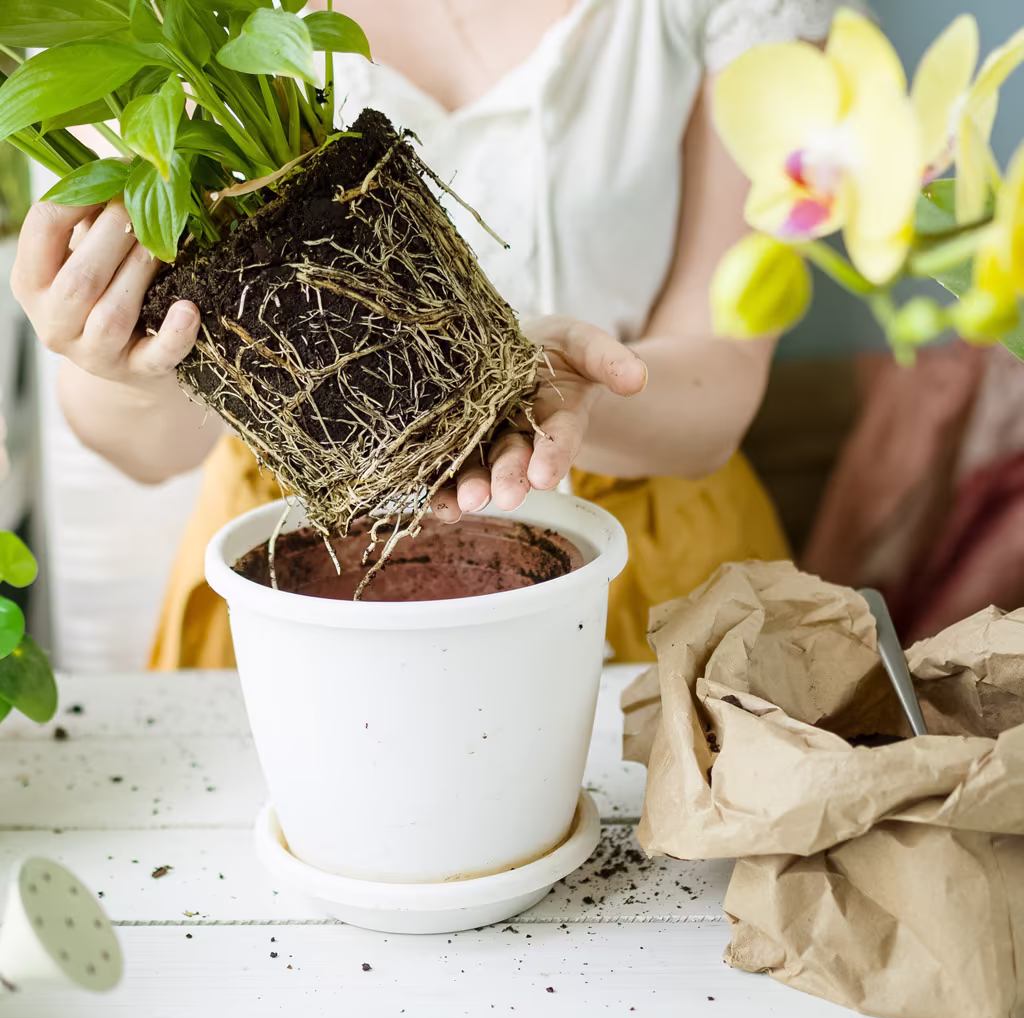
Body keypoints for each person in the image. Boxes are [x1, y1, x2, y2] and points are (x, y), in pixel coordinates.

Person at [12, 0, 856, 667]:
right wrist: (129, 359)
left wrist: (571, 387)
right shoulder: (153, 18)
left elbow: (724, 375)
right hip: (303, 565)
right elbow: (141, 448)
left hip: (637, 564)